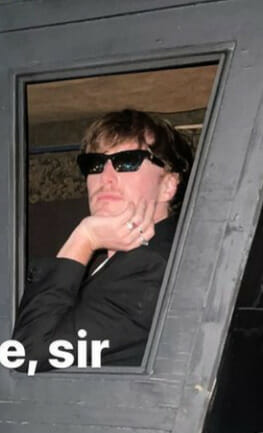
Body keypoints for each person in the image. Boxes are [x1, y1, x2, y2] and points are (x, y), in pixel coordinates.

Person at [12, 108, 195, 369]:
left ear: (168, 185)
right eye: (95, 164)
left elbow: (26, 354)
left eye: (127, 161)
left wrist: (84, 237)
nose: (105, 178)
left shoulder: (149, 268)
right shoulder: (125, 263)